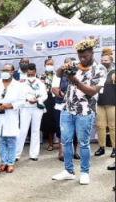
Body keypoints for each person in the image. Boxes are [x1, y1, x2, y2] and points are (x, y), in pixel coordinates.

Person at [52, 39, 107, 185]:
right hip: (67, 109)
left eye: (85, 56)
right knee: (66, 141)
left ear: (92, 53)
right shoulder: (75, 65)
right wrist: (63, 68)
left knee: (83, 143)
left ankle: (84, 172)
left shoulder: (100, 69)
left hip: (85, 111)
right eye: (80, 56)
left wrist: (75, 80)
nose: (82, 59)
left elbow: (91, 92)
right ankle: (68, 171)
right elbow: (58, 75)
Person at [0, 63, 25, 173]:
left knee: (11, 140)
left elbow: (22, 101)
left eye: (7, 70)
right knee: (0, 140)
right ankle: (3, 162)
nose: (4, 72)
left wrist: (9, 106)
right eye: (3, 70)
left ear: (12, 72)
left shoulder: (18, 85)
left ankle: (10, 163)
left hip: (10, 116)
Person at [15, 63, 47, 161]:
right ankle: (16, 154)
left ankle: (34, 154)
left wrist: (37, 100)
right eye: (28, 75)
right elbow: (19, 96)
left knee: (35, 130)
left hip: (37, 108)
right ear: (26, 73)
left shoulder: (40, 83)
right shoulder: (21, 84)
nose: (30, 77)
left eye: (32, 75)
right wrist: (27, 99)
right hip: (25, 108)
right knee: (23, 131)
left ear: (35, 72)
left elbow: (45, 95)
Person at [52, 57, 80, 161]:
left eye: (71, 63)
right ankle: (61, 151)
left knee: (76, 130)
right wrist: (67, 96)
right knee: (61, 130)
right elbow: (54, 89)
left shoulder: (79, 74)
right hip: (61, 106)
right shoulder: (58, 74)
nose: (69, 65)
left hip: (76, 107)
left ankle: (75, 151)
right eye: (67, 63)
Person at [95, 48, 115, 158]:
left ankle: (114, 148)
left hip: (112, 103)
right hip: (99, 103)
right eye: (102, 60)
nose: (104, 62)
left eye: (106, 60)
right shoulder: (98, 72)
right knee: (100, 126)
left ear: (111, 61)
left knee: (113, 126)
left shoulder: (114, 71)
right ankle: (101, 147)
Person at [40, 58, 58, 151]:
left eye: (51, 64)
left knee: (58, 121)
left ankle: (60, 144)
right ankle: (50, 144)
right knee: (48, 122)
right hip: (46, 100)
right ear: (44, 65)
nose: (50, 66)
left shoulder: (57, 75)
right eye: (48, 64)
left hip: (56, 99)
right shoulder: (41, 76)